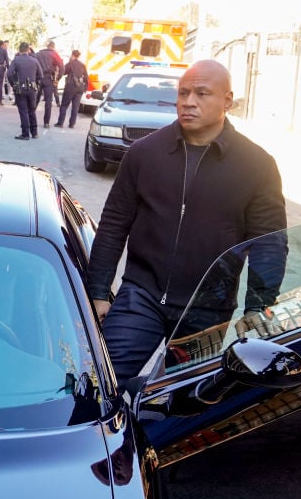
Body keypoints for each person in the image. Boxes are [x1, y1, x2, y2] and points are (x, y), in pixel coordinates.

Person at [87, 59, 288, 390]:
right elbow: (113, 225)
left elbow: (269, 242)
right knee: (101, 386)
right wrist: (98, 292)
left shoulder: (257, 165)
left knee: (180, 401)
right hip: (141, 295)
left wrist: (258, 306)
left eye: (202, 93)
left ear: (228, 101)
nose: (188, 101)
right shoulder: (144, 153)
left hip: (207, 310)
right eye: (183, 92)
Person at [6, 41, 43, 140]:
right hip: (32, 89)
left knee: (23, 112)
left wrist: (14, 84)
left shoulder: (16, 60)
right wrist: (36, 84)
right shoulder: (34, 60)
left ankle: (25, 134)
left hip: (20, 89)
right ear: (28, 50)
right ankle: (35, 133)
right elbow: (41, 75)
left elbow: (9, 74)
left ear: (19, 50)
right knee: (32, 111)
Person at [35, 40, 65, 128]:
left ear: (47, 46)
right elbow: (62, 67)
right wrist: (58, 78)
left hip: (39, 78)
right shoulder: (54, 54)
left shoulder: (38, 54)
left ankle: (30, 119)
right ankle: (46, 123)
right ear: (53, 47)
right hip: (49, 79)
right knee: (48, 101)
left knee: (35, 99)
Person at [55, 49, 88, 128]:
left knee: (64, 105)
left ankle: (60, 123)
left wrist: (57, 79)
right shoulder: (83, 65)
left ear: (72, 55)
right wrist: (85, 89)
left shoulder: (70, 64)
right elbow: (86, 78)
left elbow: (63, 72)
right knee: (75, 107)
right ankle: (72, 124)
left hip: (70, 87)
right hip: (80, 88)